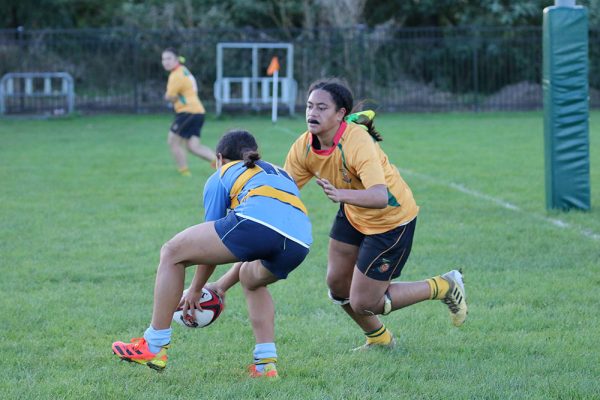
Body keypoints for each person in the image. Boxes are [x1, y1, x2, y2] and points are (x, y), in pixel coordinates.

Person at [281, 78, 468, 350]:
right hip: (354, 212)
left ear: (340, 114)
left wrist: (341, 195)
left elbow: (380, 196)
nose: (312, 113)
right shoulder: (304, 146)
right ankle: (380, 340)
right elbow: (284, 190)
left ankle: (444, 285)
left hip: (391, 220)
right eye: (309, 106)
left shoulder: (357, 141)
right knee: (337, 285)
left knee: (365, 303)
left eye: (322, 107)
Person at [112, 129, 312, 377]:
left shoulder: (222, 174)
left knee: (172, 252)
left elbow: (210, 244)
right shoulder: (278, 172)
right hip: (300, 242)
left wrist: (196, 289)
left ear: (219, 158)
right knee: (251, 279)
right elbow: (261, 238)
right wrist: (219, 288)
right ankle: (265, 365)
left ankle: (154, 345)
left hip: (257, 226)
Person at [161, 47, 216, 176]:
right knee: (193, 146)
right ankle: (221, 165)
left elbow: (169, 96)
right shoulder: (183, 70)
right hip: (198, 111)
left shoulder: (176, 75)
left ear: (176, 59)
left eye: (169, 58)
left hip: (188, 112)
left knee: (173, 141)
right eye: (163, 59)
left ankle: (184, 172)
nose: (165, 62)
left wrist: (169, 98)